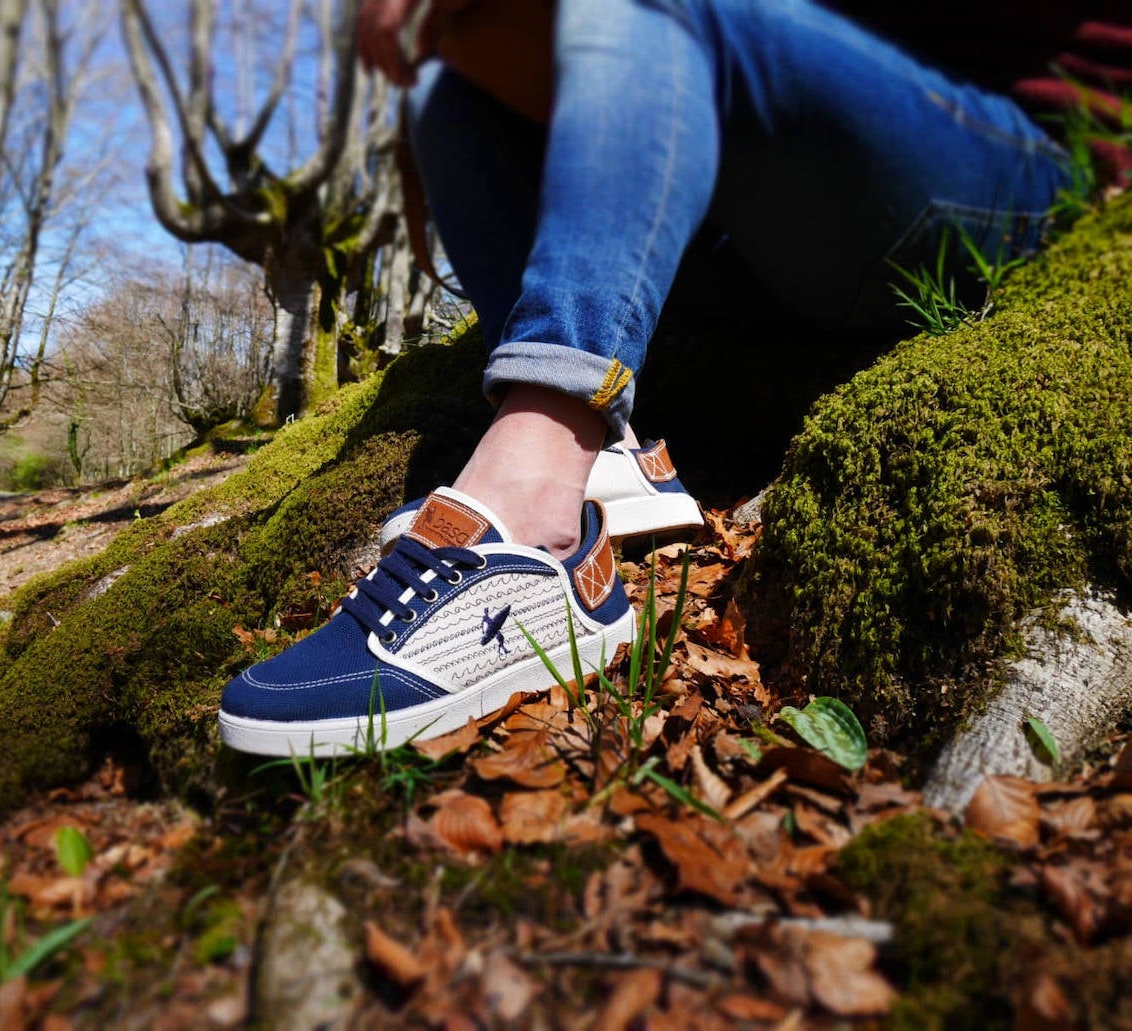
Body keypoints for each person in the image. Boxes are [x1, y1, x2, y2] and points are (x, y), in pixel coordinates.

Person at [218, 0, 1126, 757]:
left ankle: (534, 493)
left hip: (1015, 164)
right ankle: (607, 454)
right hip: (774, 190)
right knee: (454, 94)